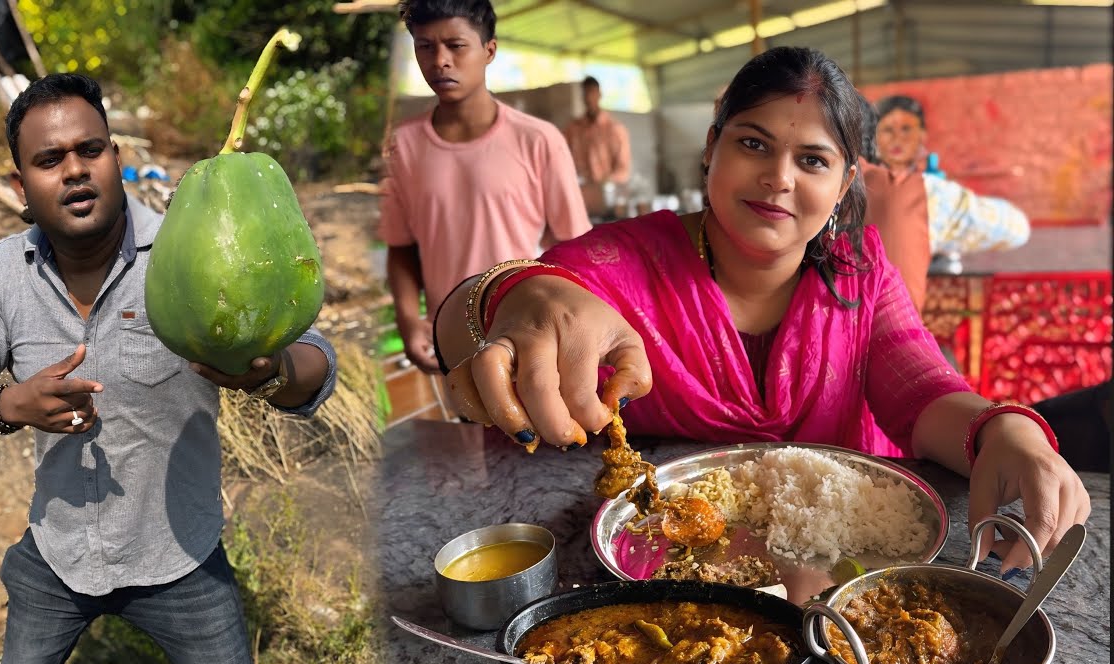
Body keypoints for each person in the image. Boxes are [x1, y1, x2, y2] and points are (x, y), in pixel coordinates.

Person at [432, 47, 1089, 580]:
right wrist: (515, 294)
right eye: (753, 144)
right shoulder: (629, 262)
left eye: (812, 160)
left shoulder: (858, 273)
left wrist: (1008, 432)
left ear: (843, 183)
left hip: (841, 577)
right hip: (661, 574)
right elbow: (477, 314)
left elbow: (919, 387)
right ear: (712, 145)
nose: (779, 177)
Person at [0, 74, 337, 664]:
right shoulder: (3, 272)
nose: (74, 171)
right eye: (49, 160)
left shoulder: (187, 247)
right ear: (20, 188)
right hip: (58, 551)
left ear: (118, 158)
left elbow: (314, 357)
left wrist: (273, 372)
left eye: (90, 150)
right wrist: (10, 408)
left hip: (178, 554)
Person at [379, 0, 591, 374]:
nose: (440, 60)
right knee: (468, 432)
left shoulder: (538, 139)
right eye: (425, 47)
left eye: (456, 45)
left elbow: (576, 251)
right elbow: (401, 246)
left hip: (531, 336)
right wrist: (409, 319)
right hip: (453, 341)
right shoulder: (403, 145)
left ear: (489, 50)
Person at [867, 94, 1030, 310]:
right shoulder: (932, 192)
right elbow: (1017, 229)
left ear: (922, 135)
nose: (897, 138)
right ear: (874, 137)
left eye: (906, 129)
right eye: (888, 130)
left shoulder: (847, 180)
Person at [564, 76, 632, 218]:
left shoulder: (615, 129)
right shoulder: (573, 129)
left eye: (592, 92)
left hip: (609, 203)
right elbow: (562, 161)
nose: (588, 97)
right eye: (585, 93)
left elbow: (623, 170)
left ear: (599, 94)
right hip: (580, 202)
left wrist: (604, 184)